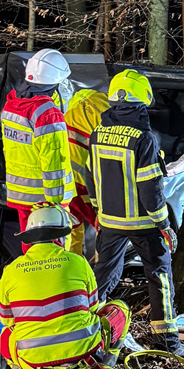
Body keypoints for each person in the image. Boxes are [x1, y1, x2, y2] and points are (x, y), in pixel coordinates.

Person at [88, 69, 184, 358]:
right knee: (159, 276)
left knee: (101, 276)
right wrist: (163, 224)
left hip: (109, 221)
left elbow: (91, 176)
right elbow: (150, 188)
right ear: (142, 99)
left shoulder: (97, 132)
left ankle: (86, 330)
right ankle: (168, 342)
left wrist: (99, 210)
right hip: (143, 223)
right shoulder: (144, 138)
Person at [0, 205, 128, 369]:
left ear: (30, 238)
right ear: (60, 236)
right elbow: (93, 307)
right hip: (85, 357)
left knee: (4, 337)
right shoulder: (78, 262)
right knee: (120, 311)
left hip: (35, 363)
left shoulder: (10, 271)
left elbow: (7, 320)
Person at [0, 49, 76, 253]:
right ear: (55, 83)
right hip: (45, 197)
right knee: (55, 251)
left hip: (22, 193)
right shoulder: (47, 113)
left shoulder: (13, 104)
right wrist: (56, 201)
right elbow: (54, 161)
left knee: (30, 248)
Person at [64, 88, 111, 255]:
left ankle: (71, 268)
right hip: (83, 182)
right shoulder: (110, 115)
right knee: (104, 228)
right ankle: (101, 273)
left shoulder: (81, 98)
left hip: (63, 179)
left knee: (72, 227)